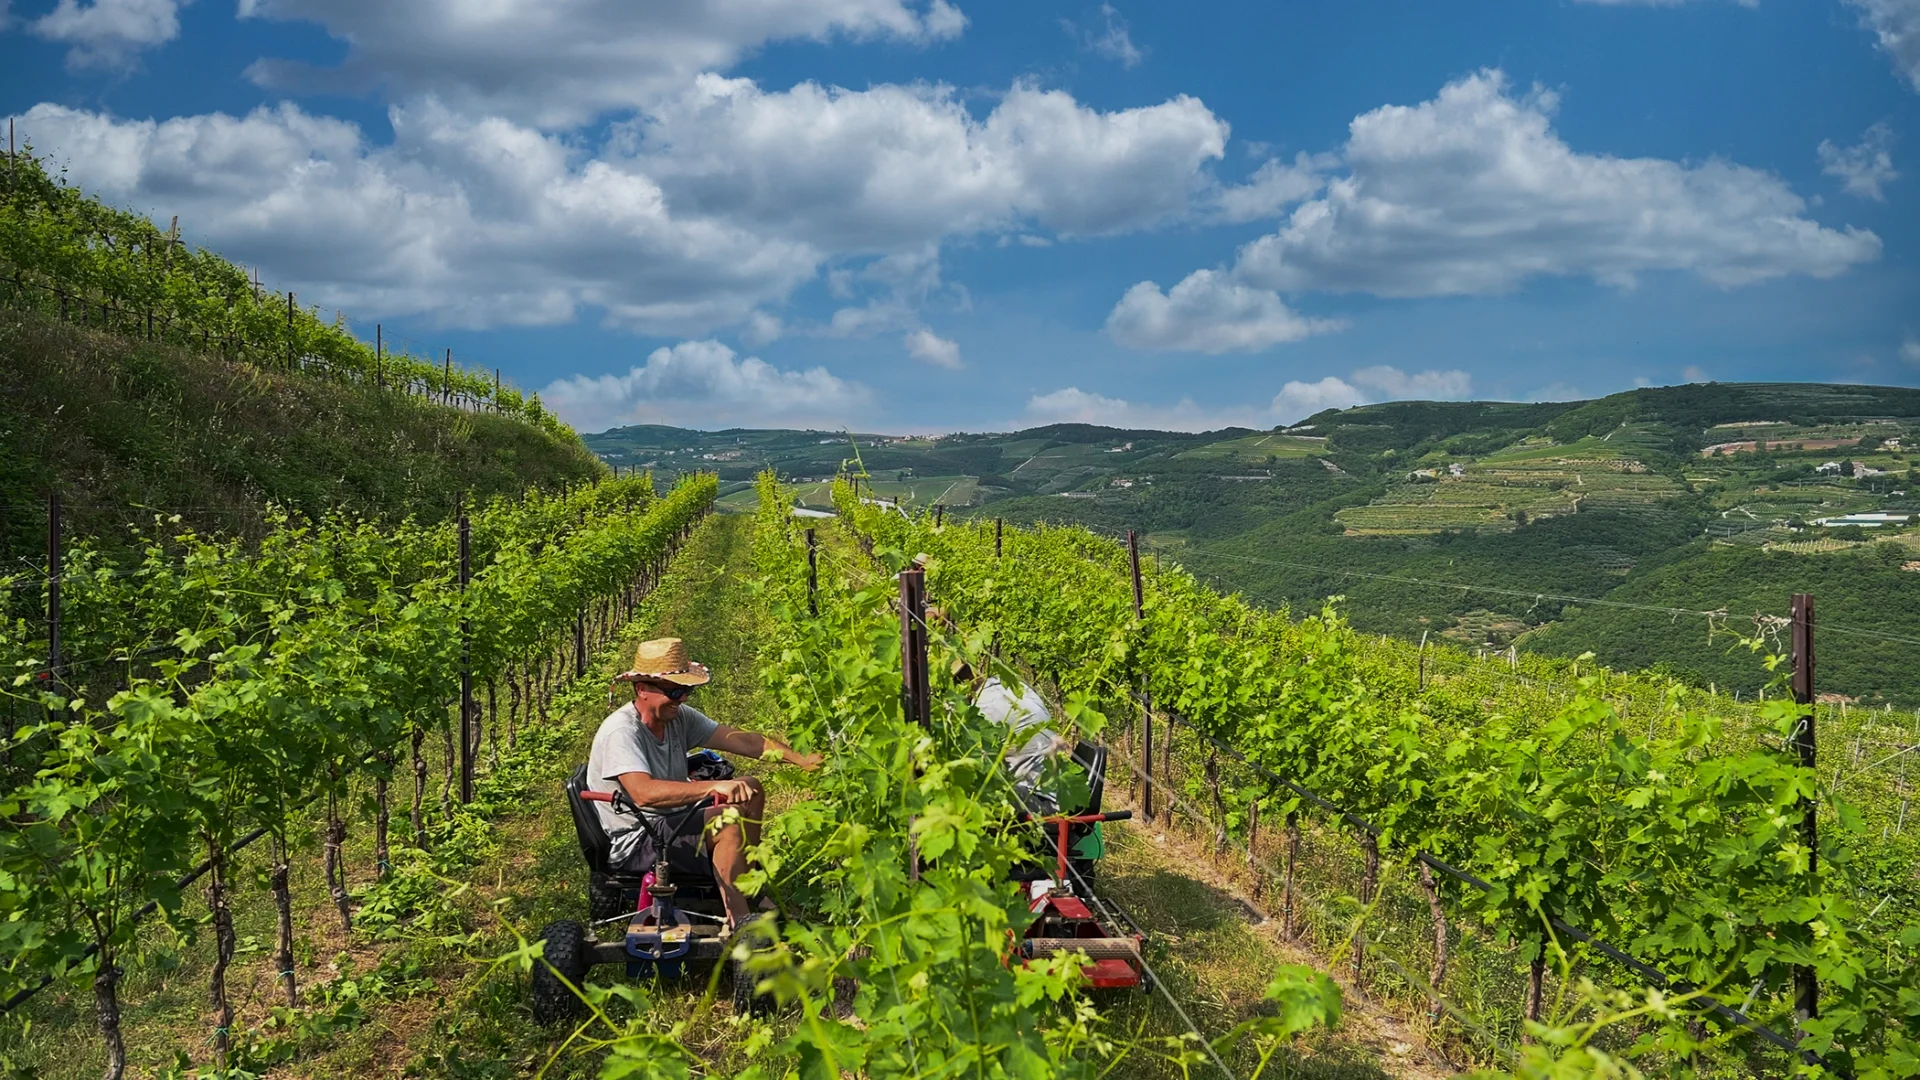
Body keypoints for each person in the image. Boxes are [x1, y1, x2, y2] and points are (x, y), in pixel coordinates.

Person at [587, 636, 822, 931]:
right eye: (674, 690)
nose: (682, 698)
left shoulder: (678, 718)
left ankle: (749, 884)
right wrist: (713, 788)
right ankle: (740, 924)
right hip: (639, 838)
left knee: (751, 788)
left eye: (686, 690)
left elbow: (743, 741)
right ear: (642, 689)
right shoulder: (621, 732)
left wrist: (800, 759)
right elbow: (643, 793)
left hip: (670, 823)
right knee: (727, 820)